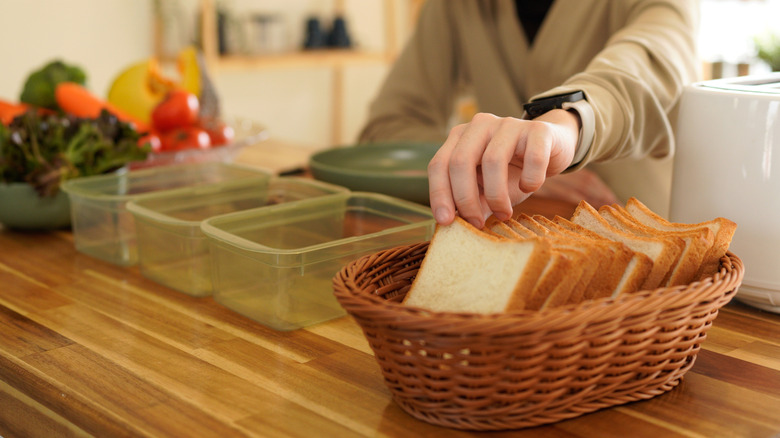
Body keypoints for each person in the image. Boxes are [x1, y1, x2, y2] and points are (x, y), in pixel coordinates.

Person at [357, 0, 699, 229]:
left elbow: (658, 65)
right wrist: (496, 157)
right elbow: (387, 128)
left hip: (652, 255)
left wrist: (564, 127)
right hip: (510, 243)